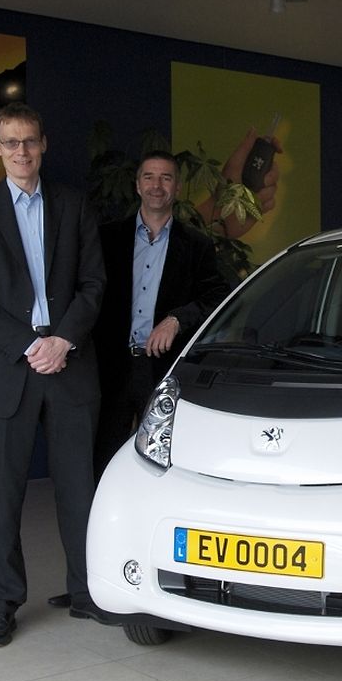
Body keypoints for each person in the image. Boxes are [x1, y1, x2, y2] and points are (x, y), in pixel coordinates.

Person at [0, 102, 105, 642]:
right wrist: (30, 345)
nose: (22, 151)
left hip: (70, 364)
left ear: (44, 145)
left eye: (30, 141)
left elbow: (94, 284)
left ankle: (87, 592)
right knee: (5, 497)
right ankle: (2, 604)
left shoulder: (74, 205)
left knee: (78, 490)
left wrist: (62, 340)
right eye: (11, 142)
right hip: (7, 372)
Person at [92, 151, 229, 478]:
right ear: (137, 185)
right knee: (104, 461)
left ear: (177, 187)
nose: (157, 185)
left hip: (163, 370)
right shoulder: (106, 238)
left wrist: (176, 319)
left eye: (166, 178)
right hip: (111, 368)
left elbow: (217, 296)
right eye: (149, 177)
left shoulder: (196, 244)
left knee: (165, 461)